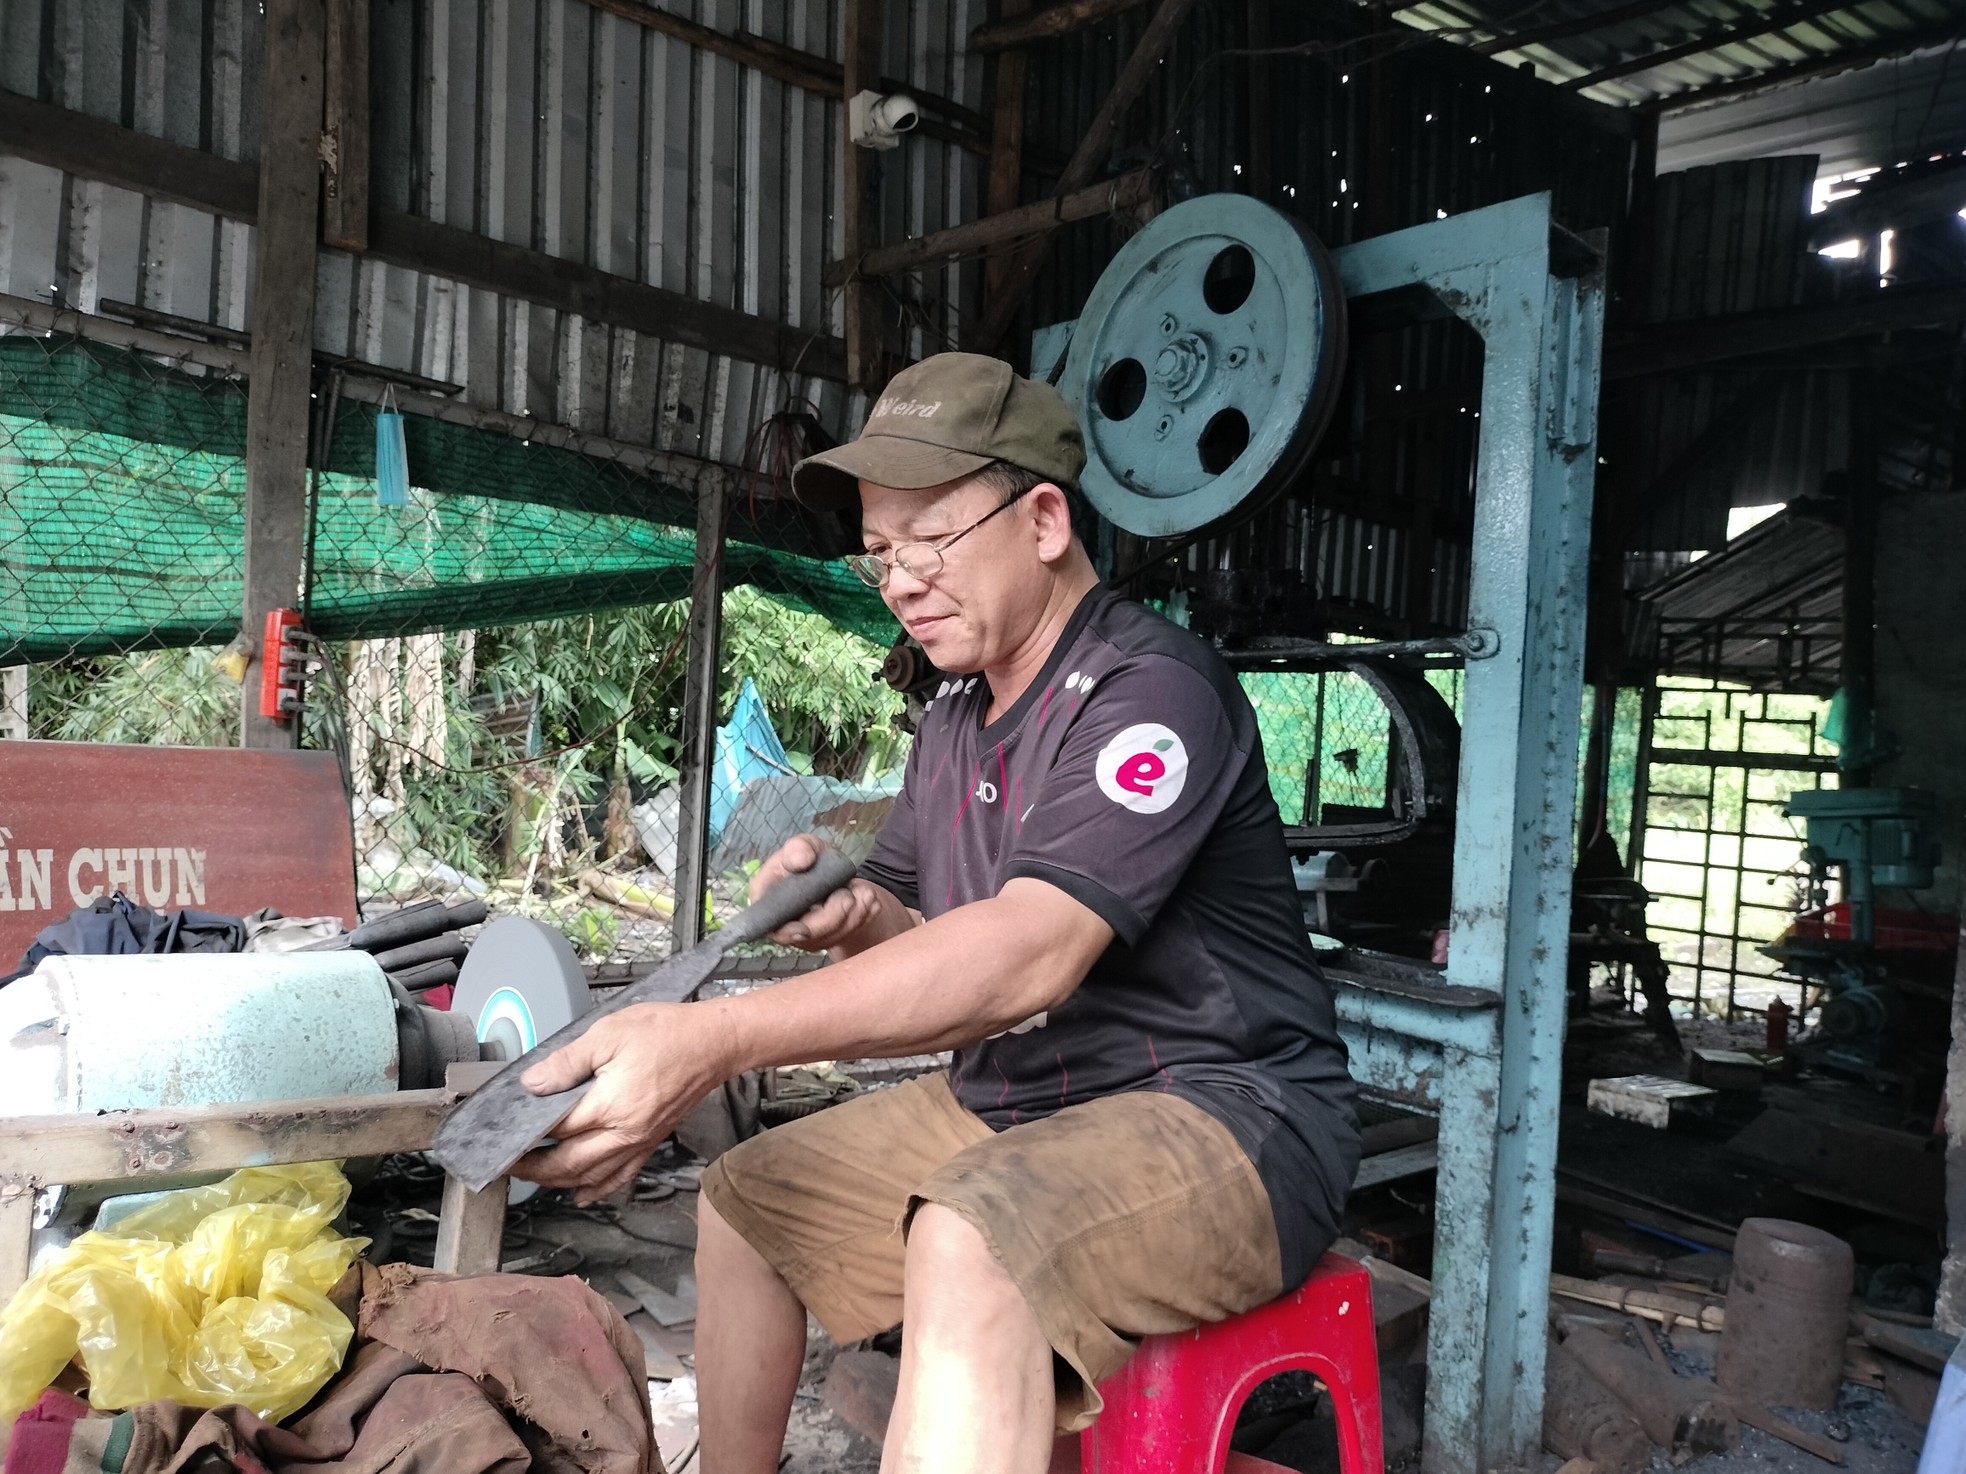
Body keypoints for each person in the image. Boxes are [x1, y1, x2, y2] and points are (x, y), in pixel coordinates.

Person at [515, 352, 1360, 1474]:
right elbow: (920, 928)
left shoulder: (1150, 691)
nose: (901, 577)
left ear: (1044, 518)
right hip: (1022, 1099)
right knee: (747, 1199)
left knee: (972, 1237)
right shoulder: (955, 715)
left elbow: (1027, 955)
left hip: (1225, 1113)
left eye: (931, 538)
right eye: (880, 552)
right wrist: (853, 908)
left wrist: (709, 1040)